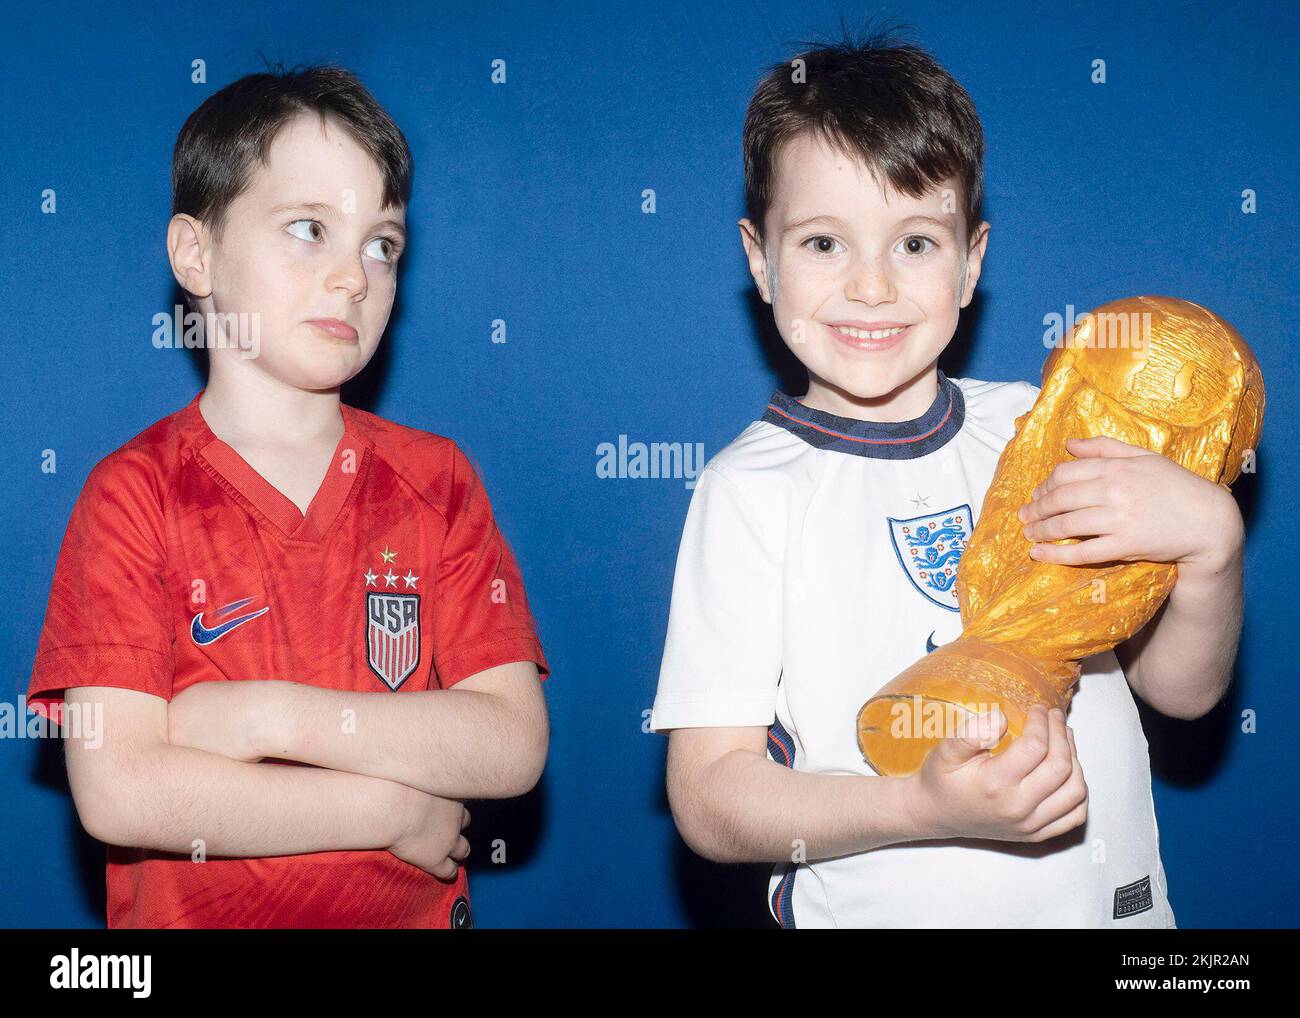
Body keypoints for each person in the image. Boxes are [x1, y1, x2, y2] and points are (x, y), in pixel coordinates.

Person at [650, 30, 1247, 928]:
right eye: (823, 242)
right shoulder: (749, 490)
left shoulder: (1044, 423)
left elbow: (1181, 690)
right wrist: (919, 809)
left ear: (971, 262)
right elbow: (710, 797)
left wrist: (1212, 550)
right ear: (759, 258)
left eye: (915, 243)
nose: (873, 287)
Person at [27, 65, 550, 929]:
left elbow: (511, 744)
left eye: (382, 245)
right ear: (196, 255)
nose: (353, 276)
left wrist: (263, 716)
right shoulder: (133, 495)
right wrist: (388, 811)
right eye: (310, 229)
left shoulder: (437, 480)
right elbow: (120, 791)